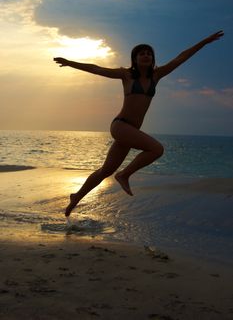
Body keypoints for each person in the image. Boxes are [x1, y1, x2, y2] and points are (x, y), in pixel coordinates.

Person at [54, 30, 224, 216]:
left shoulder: (156, 76)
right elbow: (97, 69)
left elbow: (181, 57)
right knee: (157, 149)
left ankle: (75, 198)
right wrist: (70, 63)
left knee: (105, 171)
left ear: (152, 58)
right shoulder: (126, 75)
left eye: (149, 53)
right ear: (134, 58)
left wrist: (205, 41)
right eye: (141, 53)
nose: (146, 55)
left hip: (129, 131)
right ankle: (124, 175)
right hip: (120, 126)